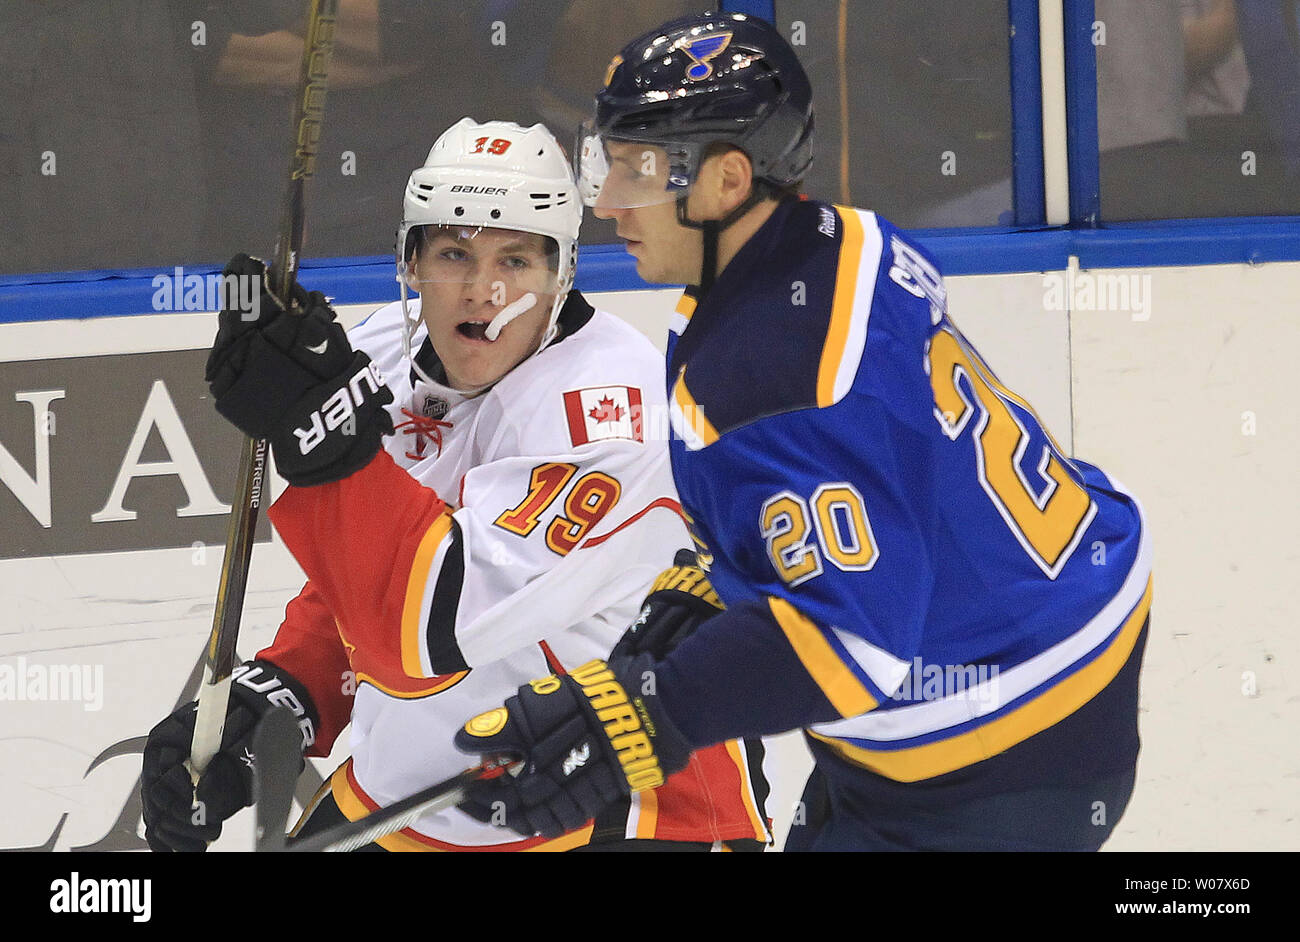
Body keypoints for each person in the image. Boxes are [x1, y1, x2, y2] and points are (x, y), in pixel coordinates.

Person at [451, 12, 1153, 852]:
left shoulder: (771, 374)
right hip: (1055, 598)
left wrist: (643, 717)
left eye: (636, 170)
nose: (605, 203)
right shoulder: (841, 240)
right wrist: (728, 582)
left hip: (1011, 729)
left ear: (727, 181)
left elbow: (855, 640)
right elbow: (902, 459)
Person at [140, 117, 770, 851]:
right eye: (452, 254)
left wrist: (330, 452)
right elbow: (363, 574)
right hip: (424, 789)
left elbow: (430, 631)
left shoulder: (611, 411)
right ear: (409, 263)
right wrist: (282, 696)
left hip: (625, 796)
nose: (484, 291)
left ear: (562, 272)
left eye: (516, 260)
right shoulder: (384, 350)